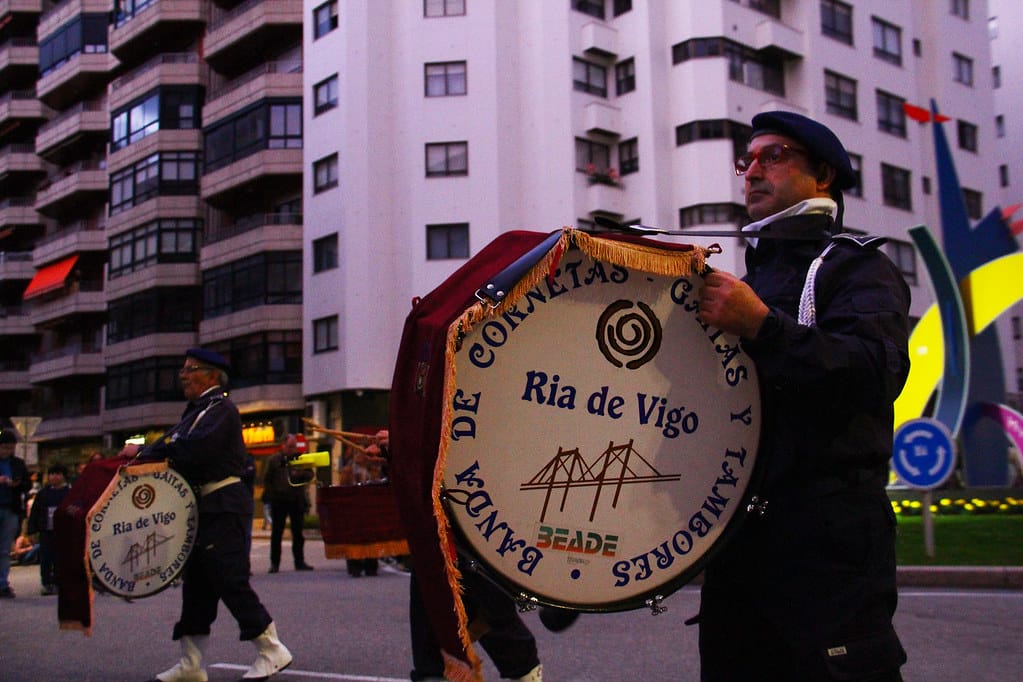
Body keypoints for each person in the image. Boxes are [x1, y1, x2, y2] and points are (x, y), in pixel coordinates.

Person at [695, 111, 911, 680]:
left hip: (827, 550)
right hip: (741, 547)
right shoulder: (753, 278)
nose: (752, 172)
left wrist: (763, 328)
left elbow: (875, 374)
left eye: (774, 156)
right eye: (747, 161)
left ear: (823, 175)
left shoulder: (857, 266)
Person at [134, 348, 292, 681]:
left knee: (229, 577)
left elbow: (194, 449)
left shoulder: (221, 409)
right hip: (204, 507)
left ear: (211, 375)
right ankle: (191, 665)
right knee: (197, 585)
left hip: (223, 503)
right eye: (183, 370)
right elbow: (179, 445)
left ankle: (271, 649)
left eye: (190, 369)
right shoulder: (198, 411)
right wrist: (143, 454)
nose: (183, 376)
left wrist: (145, 452)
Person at [262, 434, 314, 573]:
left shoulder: (300, 458)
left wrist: (300, 474)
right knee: (277, 533)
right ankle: (275, 563)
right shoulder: (274, 460)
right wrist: (271, 495)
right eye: (290, 447)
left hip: (296, 500)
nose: (292, 449)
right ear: (283, 446)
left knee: (297, 533)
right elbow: (267, 479)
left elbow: (310, 475)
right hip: (279, 500)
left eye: (294, 447)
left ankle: (299, 561)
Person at [27, 462, 70, 595]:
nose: (54, 477)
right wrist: (31, 531)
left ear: (63, 476)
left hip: (63, 531)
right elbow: (35, 512)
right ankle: (46, 583)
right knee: (45, 557)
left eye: (57, 474)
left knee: (60, 557)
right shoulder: (43, 494)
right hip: (46, 530)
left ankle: (58, 582)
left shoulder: (69, 492)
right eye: (51, 474)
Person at [0, 428, 32, 599]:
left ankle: (2, 583)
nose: (7, 451)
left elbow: (27, 484)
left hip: (11, 508)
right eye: (4, 447)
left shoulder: (18, 463)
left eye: (10, 448)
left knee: (5, 549)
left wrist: (17, 484)